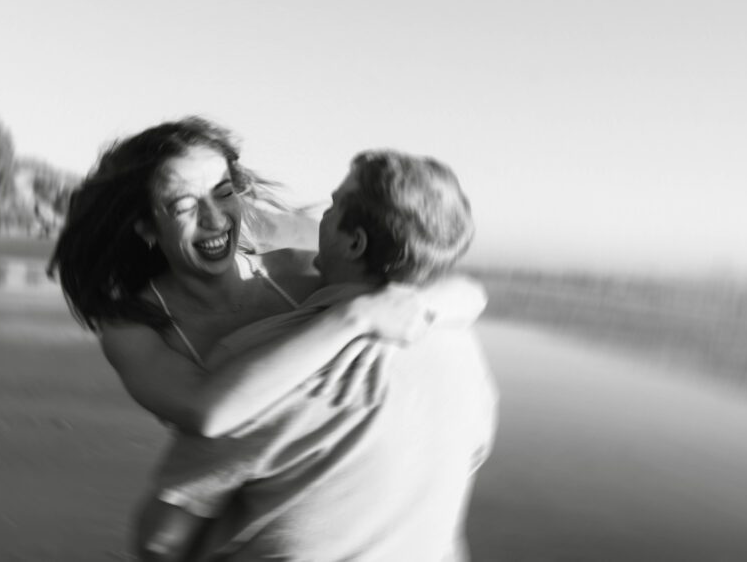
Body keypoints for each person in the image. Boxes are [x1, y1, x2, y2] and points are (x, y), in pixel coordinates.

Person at [136, 150, 499, 561]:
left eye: (333, 205)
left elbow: (161, 539)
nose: (321, 218)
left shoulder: (264, 364)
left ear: (353, 242)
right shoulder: (462, 349)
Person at [49, 117, 487, 439]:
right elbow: (207, 411)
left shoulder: (298, 272)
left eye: (224, 193)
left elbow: (465, 292)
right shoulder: (134, 329)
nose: (215, 218)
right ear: (145, 226)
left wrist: (420, 307)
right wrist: (352, 319)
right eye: (185, 206)